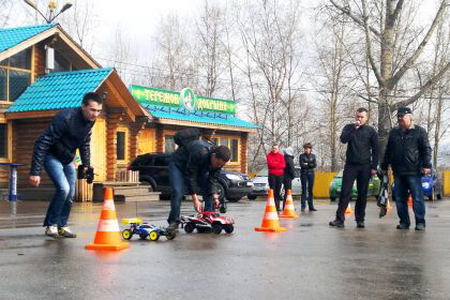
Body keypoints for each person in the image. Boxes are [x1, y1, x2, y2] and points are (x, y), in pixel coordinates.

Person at [29, 92, 103, 238]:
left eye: (99, 111)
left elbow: (85, 142)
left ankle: (62, 225)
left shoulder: (90, 121)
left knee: (70, 193)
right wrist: (35, 172)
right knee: (63, 188)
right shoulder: (65, 118)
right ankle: (51, 225)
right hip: (52, 155)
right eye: (93, 110)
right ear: (83, 107)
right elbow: (42, 142)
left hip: (67, 158)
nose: (95, 114)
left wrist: (86, 165)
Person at [381, 107, 432, 231]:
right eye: (398, 116)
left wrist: (426, 165)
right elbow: (388, 151)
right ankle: (404, 222)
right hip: (398, 172)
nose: (399, 118)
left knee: (417, 198)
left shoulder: (419, 131)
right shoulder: (394, 132)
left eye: (402, 116)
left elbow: (426, 149)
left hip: (414, 171)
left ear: (410, 117)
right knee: (399, 199)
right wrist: (384, 166)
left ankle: (420, 222)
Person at [167, 139, 231, 233]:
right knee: (177, 191)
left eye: (221, 165)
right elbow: (190, 176)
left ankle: (207, 217)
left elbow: (212, 180)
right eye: (217, 164)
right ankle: (173, 222)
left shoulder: (218, 163)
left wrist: (215, 197)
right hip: (178, 165)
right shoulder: (200, 153)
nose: (218, 166)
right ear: (213, 156)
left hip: (196, 168)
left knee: (208, 187)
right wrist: (195, 199)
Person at [329, 107, 379, 228]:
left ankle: (360, 219)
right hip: (351, 165)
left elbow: (376, 150)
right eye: (357, 117)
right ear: (355, 117)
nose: (359, 119)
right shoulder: (349, 127)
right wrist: (354, 128)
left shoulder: (371, 131)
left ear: (366, 118)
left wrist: (374, 167)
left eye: (362, 117)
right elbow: (343, 140)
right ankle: (339, 219)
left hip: (365, 166)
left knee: (362, 194)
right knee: (345, 192)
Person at [267, 144, 285, 213]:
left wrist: (275, 164)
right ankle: (273, 205)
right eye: (274, 148)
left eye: (276, 148)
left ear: (278, 149)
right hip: (272, 175)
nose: (275, 149)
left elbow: (283, 165)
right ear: (272, 149)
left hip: (280, 175)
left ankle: (278, 206)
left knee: (278, 191)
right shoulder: (269, 155)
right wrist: (278, 164)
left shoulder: (281, 156)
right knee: (272, 191)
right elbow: (270, 164)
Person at [299, 143, 317, 211]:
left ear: (310, 149)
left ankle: (311, 206)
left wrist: (307, 163)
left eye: (307, 149)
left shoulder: (313, 156)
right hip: (304, 174)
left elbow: (314, 165)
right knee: (304, 190)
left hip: (311, 174)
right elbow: (302, 165)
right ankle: (303, 206)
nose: (306, 150)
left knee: (310, 190)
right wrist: (310, 164)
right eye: (305, 149)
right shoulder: (301, 156)